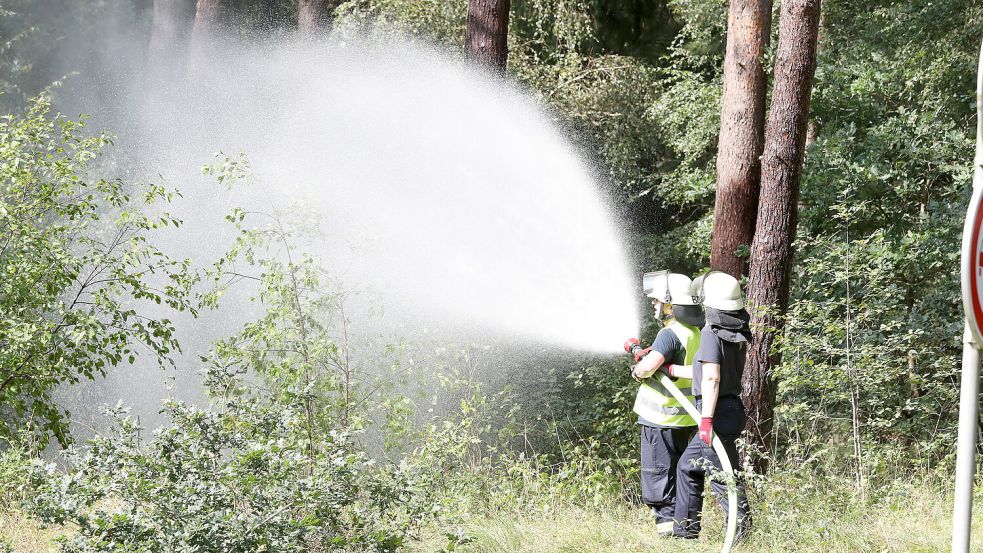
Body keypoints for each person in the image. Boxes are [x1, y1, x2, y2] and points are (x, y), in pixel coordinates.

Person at [668, 270, 752, 541]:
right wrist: (670, 370)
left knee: (722, 476)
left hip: (715, 413)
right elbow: (704, 370)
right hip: (731, 410)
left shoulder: (709, 332)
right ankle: (686, 533)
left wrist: (705, 420)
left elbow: (712, 377)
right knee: (691, 467)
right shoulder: (734, 331)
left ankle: (739, 535)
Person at [623, 271, 704, 536]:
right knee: (681, 474)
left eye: (657, 301)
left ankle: (668, 533)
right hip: (686, 420)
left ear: (671, 303)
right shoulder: (696, 333)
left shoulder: (669, 334)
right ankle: (685, 529)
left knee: (658, 475)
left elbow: (648, 368)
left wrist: (638, 370)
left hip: (660, 421)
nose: (654, 305)